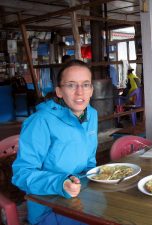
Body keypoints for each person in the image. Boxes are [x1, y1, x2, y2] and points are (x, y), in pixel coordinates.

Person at [12, 60, 98, 225]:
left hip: (83, 200)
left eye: (86, 84)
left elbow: (89, 161)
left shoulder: (91, 114)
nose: (80, 92)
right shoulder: (40, 122)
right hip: (48, 209)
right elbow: (21, 174)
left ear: (92, 90)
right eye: (71, 85)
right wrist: (60, 183)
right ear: (59, 91)